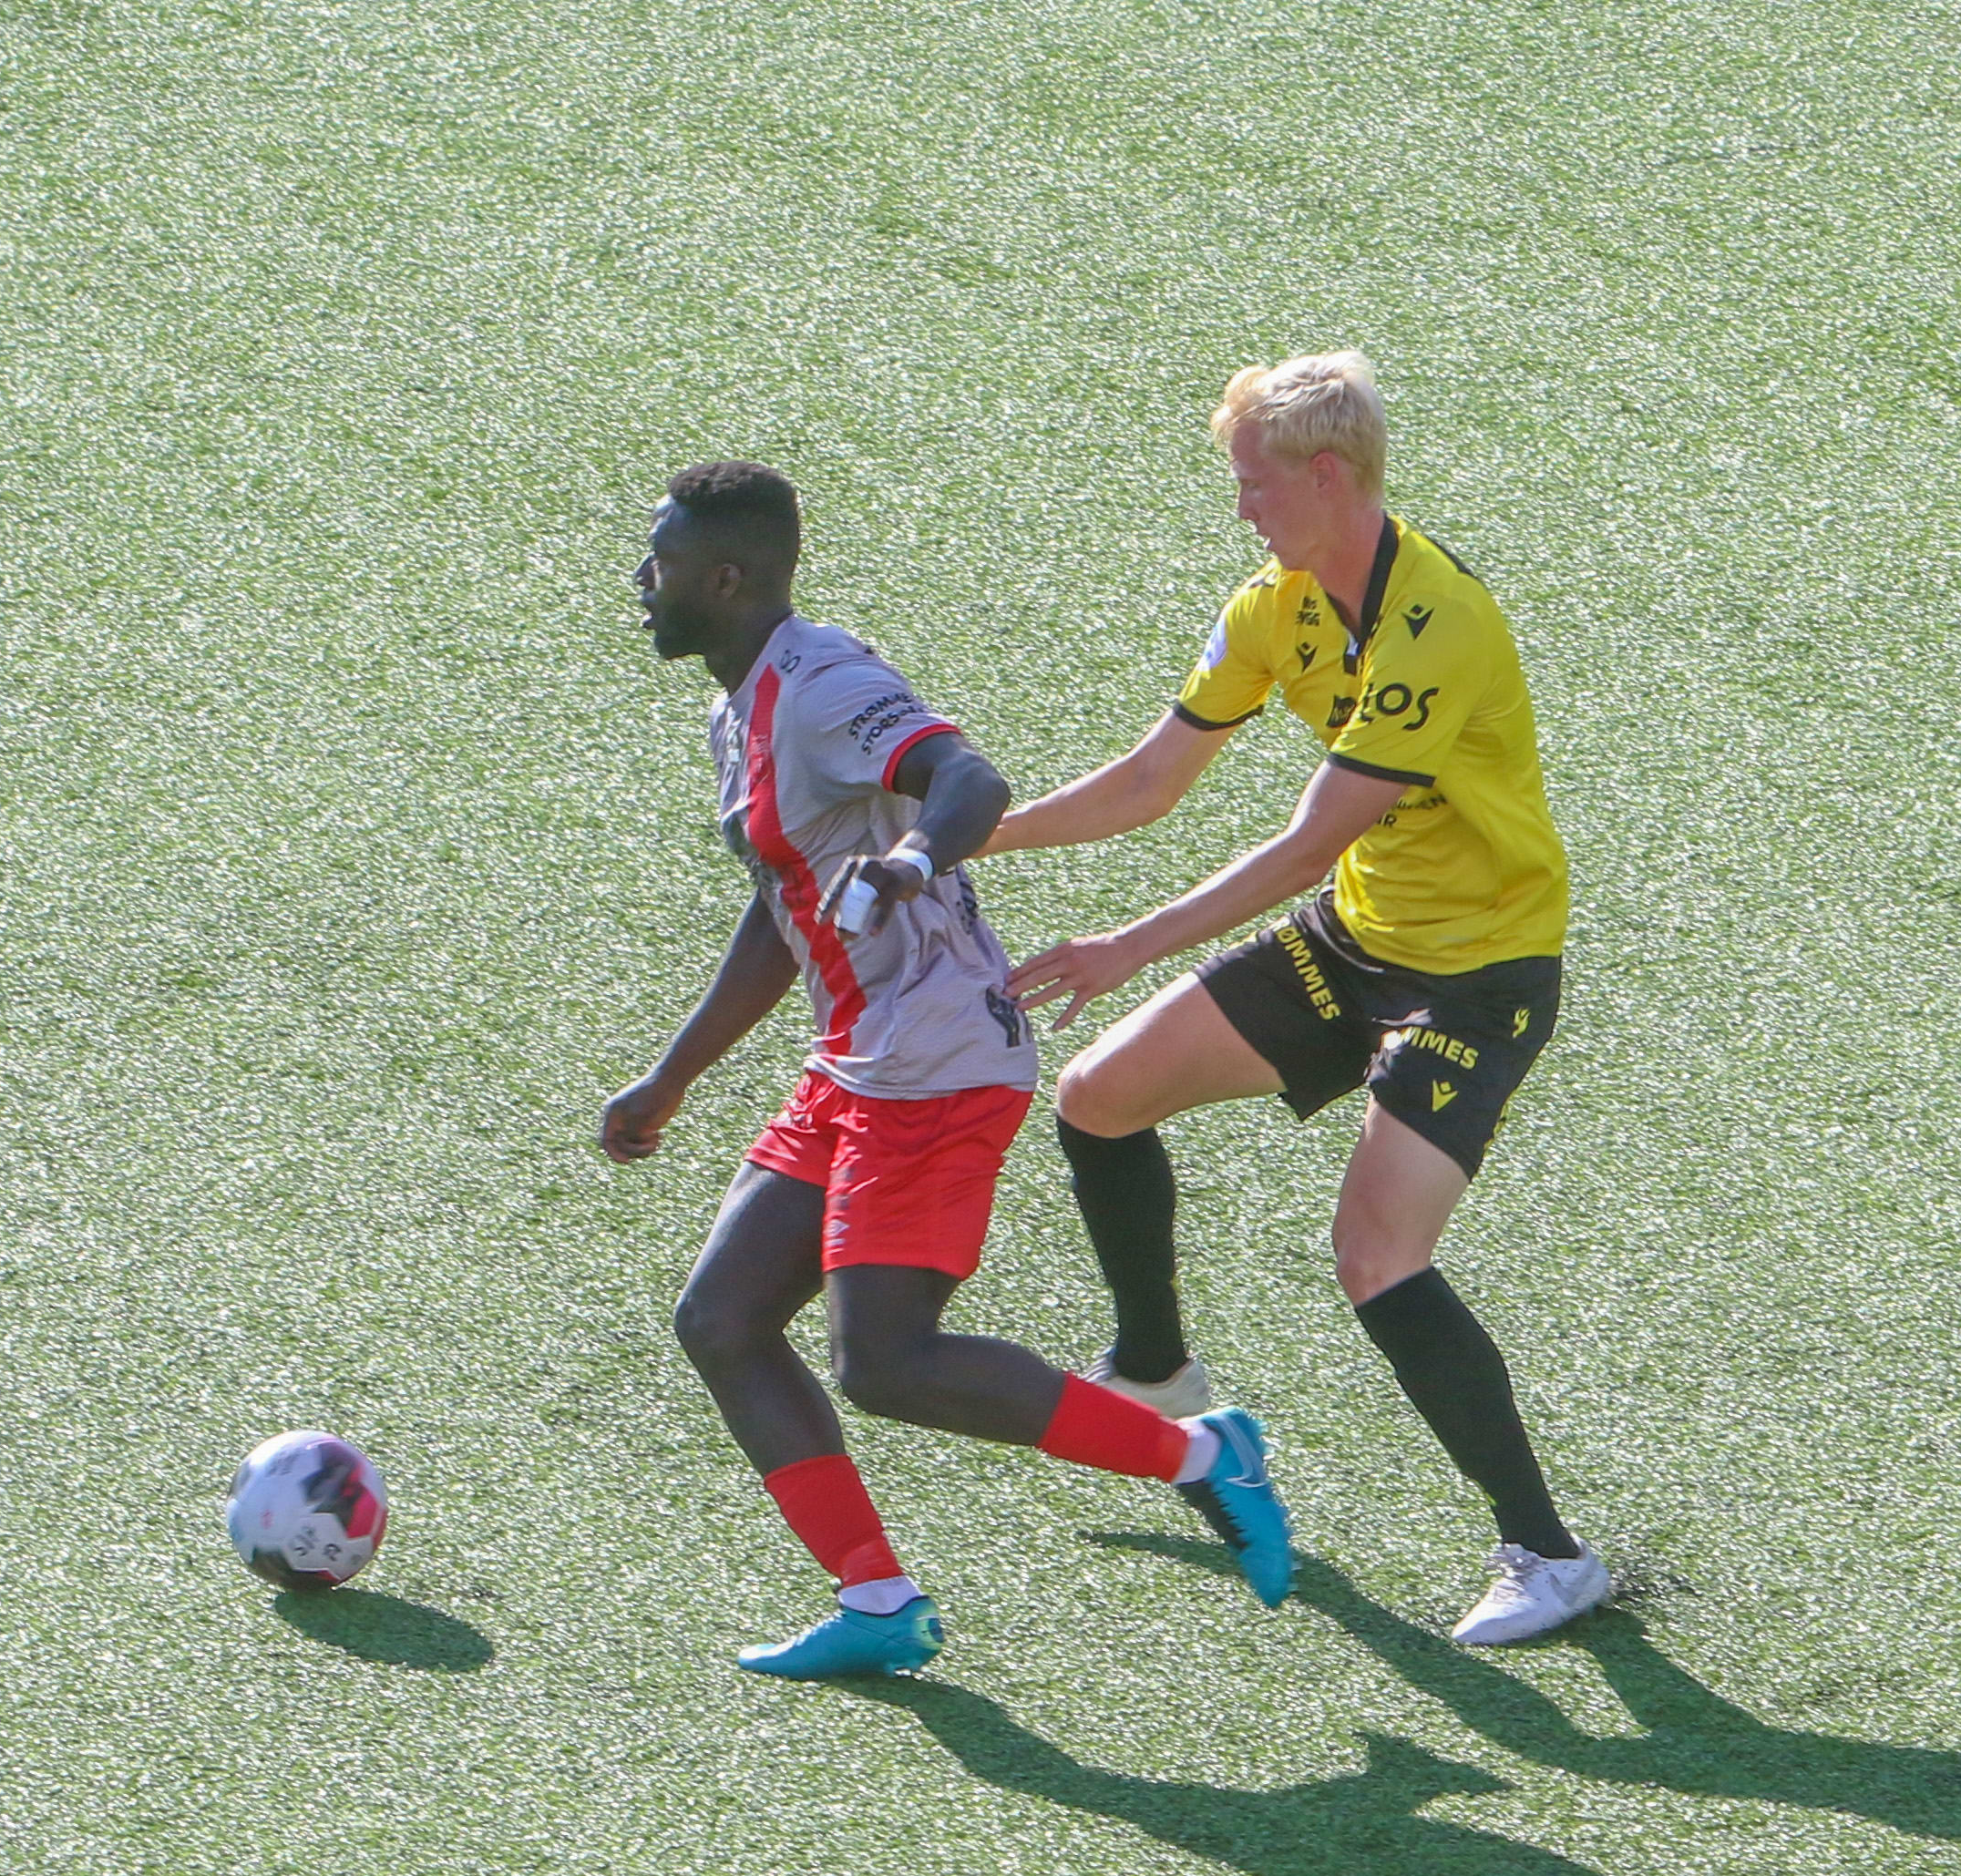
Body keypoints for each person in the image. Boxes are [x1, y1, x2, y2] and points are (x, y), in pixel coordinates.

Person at [598, 461, 1292, 1679]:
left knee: (888, 1361)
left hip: (936, 1057)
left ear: (727, 577)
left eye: (660, 562)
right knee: (723, 1319)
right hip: (862, 1056)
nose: (639, 582)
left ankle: (1204, 1455)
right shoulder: (739, 713)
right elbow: (783, 906)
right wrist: (674, 1076)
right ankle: (877, 1600)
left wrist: (915, 860)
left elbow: (970, 780)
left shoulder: (823, 686)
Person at [978, 353, 1603, 1646]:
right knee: (1099, 1097)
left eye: (1255, 484)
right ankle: (1156, 1371)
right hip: (1357, 940)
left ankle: (1549, 1554)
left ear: (1328, 477)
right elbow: (1151, 781)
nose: (1242, 507)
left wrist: (1126, 945)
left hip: (1477, 976)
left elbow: (1311, 840)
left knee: (1375, 1256)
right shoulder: (1273, 608)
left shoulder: (1439, 626)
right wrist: (972, 838)